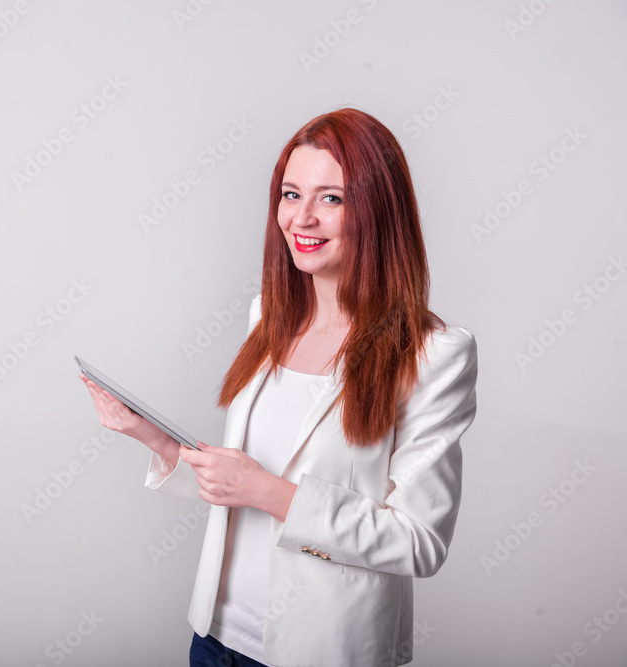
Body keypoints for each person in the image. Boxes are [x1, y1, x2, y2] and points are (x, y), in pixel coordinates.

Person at [79, 107, 478, 667]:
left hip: (322, 653)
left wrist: (269, 491)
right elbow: (239, 486)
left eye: (331, 198)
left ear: (379, 210)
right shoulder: (270, 317)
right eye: (291, 194)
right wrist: (156, 440)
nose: (301, 218)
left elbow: (419, 541)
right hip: (215, 639)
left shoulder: (433, 354)